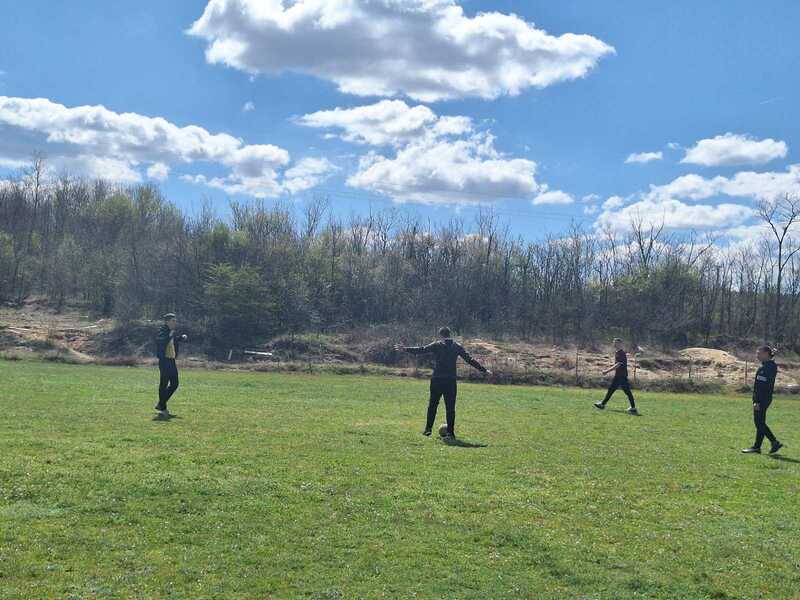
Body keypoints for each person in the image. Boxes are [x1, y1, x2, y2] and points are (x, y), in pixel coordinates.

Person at [394, 327, 492, 440]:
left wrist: (405, 349)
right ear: (450, 334)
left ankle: (428, 430)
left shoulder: (437, 345)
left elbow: (421, 350)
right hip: (450, 380)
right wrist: (484, 370)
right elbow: (470, 359)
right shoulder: (457, 346)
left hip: (437, 379)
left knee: (432, 405)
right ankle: (451, 433)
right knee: (450, 408)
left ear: (440, 335)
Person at [742, 346, 783, 454]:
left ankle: (774, 442)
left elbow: (762, 387)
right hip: (764, 398)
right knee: (760, 422)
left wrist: (757, 401)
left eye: (759, 353)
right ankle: (757, 447)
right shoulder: (768, 366)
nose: (757, 355)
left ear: (766, 354)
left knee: (759, 423)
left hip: (762, 399)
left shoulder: (768, 367)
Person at [594, 338, 638, 415]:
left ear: (620, 344)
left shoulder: (621, 353)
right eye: (614, 343)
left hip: (621, 376)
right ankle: (633, 408)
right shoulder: (617, 352)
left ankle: (603, 404)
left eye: (616, 343)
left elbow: (618, 364)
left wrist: (607, 371)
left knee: (622, 391)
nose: (614, 344)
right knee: (617, 390)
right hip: (619, 375)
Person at [154, 313, 187, 416]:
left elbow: (173, 340)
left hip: (171, 361)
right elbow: (160, 341)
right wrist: (170, 335)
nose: (175, 322)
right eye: (173, 321)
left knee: (175, 384)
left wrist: (180, 338)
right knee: (163, 384)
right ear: (167, 321)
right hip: (164, 361)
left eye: (175, 321)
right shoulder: (162, 331)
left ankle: (160, 403)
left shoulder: (171, 332)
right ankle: (163, 407)